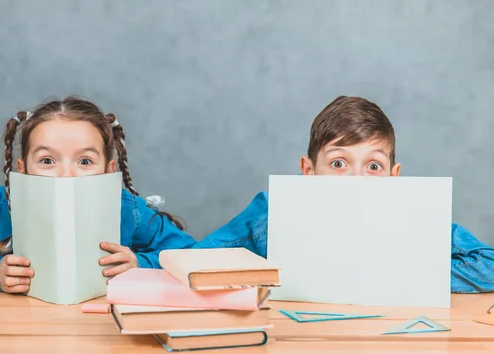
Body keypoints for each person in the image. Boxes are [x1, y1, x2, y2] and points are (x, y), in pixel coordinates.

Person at [193, 95, 494, 293]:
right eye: (339, 163)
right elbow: (194, 263)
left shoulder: (414, 222)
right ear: (309, 170)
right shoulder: (271, 218)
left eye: (374, 166)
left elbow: (488, 267)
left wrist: (399, 269)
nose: (356, 179)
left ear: (393, 176)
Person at [0, 96, 195, 294]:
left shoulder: (129, 210)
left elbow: (193, 258)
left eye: (84, 161)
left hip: (106, 335)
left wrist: (140, 265)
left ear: (109, 170)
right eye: (48, 161)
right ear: (22, 169)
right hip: (17, 334)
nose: (65, 175)